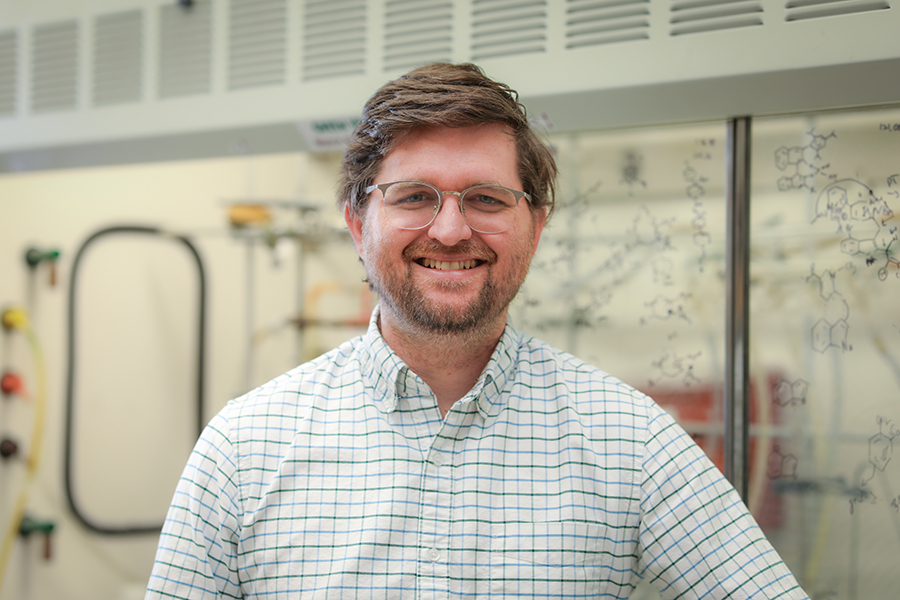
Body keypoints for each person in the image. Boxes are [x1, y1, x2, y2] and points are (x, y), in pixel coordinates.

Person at [146, 63, 809, 599]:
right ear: (356, 222)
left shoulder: (630, 442)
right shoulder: (242, 448)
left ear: (536, 223)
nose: (451, 230)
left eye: (487, 199)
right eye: (414, 196)